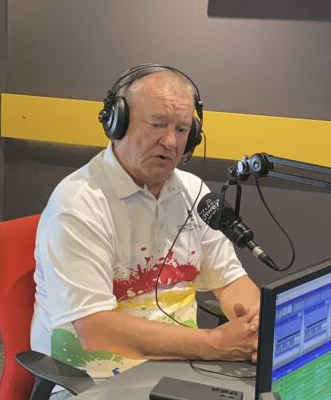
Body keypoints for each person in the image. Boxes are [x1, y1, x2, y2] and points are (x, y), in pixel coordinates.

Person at [31, 64, 261, 381]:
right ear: (118, 122)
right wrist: (215, 343)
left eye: (182, 130)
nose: (171, 141)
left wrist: (253, 324)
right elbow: (95, 330)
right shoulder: (77, 205)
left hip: (183, 365)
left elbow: (231, 281)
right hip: (91, 381)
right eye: (157, 125)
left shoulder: (193, 193)